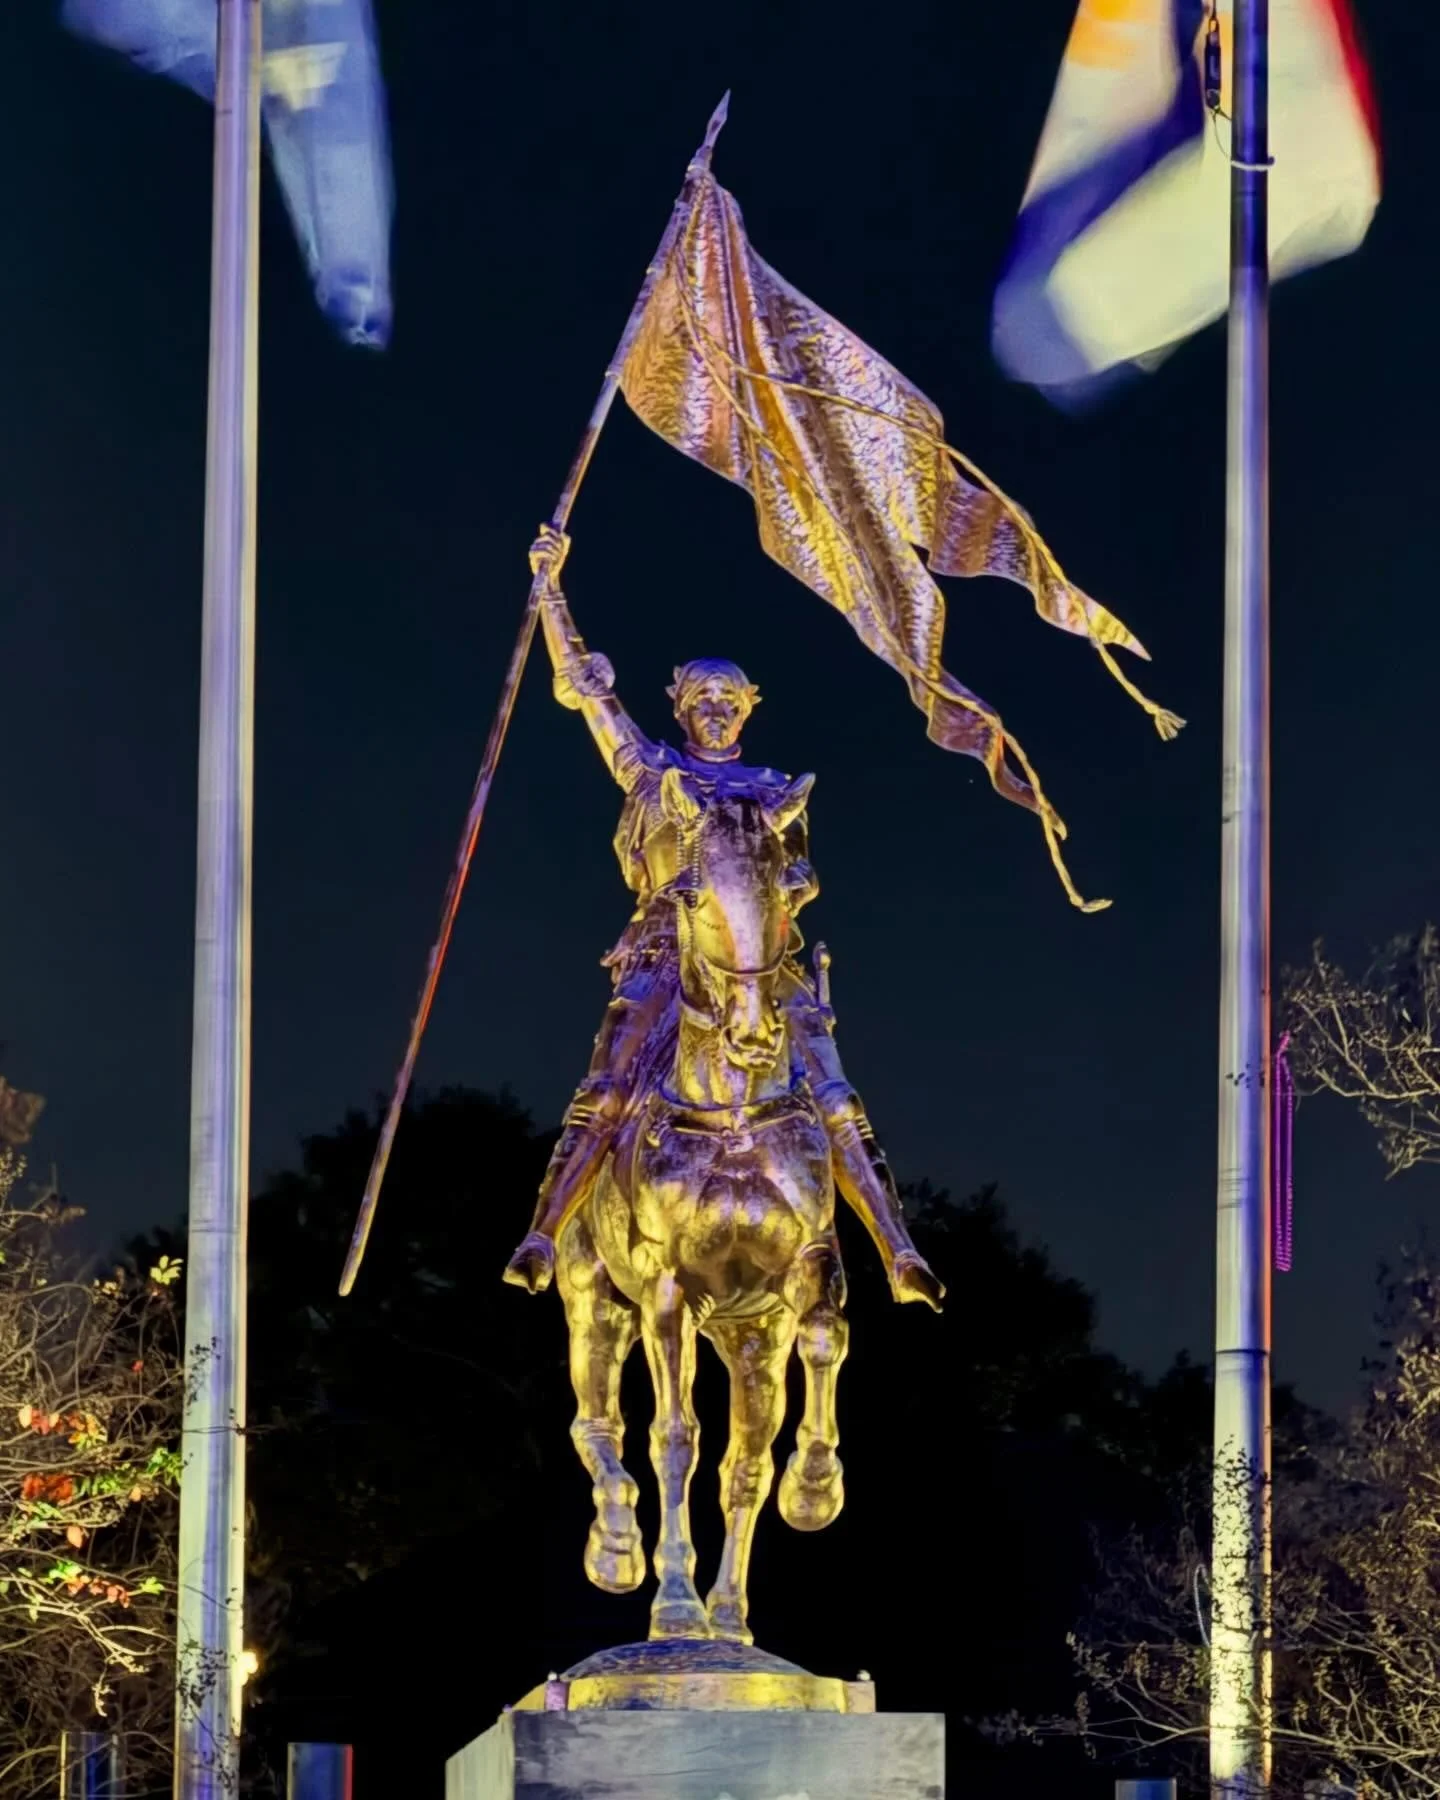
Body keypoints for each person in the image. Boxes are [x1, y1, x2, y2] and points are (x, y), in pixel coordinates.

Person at [503, 526, 943, 1312]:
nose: (714, 709)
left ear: (749, 708)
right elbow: (587, 690)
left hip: (762, 964)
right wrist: (551, 592)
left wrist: (784, 892)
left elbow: (801, 873)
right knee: (606, 1089)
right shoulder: (653, 772)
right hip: (667, 956)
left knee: (837, 1098)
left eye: (728, 699)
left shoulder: (776, 788)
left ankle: (897, 1247)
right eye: (700, 698)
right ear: (677, 706)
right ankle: (543, 1232)